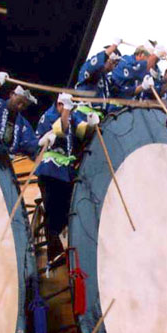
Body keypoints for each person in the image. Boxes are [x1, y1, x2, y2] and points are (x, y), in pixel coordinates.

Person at [35, 92, 96, 261]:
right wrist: (67, 112)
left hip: (65, 174)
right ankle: (54, 253)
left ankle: (63, 247)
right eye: (65, 107)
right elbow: (60, 130)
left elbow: (82, 131)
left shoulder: (71, 117)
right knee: (53, 212)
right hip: (50, 172)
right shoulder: (49, 116)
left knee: (68, 209)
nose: (68, 111)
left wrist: (91, 123)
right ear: (59, 105)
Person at [0, 74, 39, 157]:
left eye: (24, 106)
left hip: (1, 162)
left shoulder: (23, 124)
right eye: (19, 102)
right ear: (12, 94)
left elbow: (30, 145)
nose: (20, 106)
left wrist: (43, 141)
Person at [74, 41, 122, 105]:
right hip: (84, 112)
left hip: (98, 113)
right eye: (114, 63)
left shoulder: (106, 79)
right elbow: (96, 65)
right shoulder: (90, 67)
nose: (114, 67)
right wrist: (114, 46)